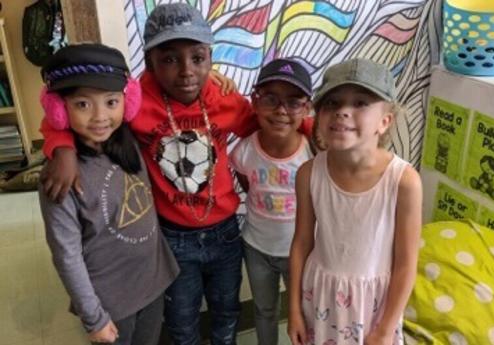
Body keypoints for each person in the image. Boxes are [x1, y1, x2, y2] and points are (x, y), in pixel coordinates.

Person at [37, 3, 276, 344]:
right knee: (181, 320)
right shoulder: (134, 102)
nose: (186, 72)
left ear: (211, 57)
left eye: (198, 58)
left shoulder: (223, 98)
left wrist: (312, 125)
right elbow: (80, 108)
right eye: (168, 59)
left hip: (224, 233)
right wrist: (61, 145)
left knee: (226, 312)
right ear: (149, 64)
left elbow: (269, 124)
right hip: (171, 239)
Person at [37, 43, 179, 345]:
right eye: (83, 104)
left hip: (152, 282)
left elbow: (167, 86)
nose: (100, 116)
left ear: (127, 103)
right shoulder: (58, 176)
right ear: (59, 110)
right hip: (111, 301)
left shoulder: (129, 142)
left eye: (112, 102)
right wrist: (94, 317)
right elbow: (66, 254)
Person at [287, 58, 422, 345]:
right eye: (332, 103)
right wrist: (294, 309)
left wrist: (385, 330)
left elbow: (406, 264)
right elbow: (301, 243)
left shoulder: (404, 182)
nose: (342, 112)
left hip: (373, 307)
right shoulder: (309, 174)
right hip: (320, 298)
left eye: (360, 103)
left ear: (385, 121)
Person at [229, 58, 314, 345]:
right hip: (256, 248)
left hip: (299, 253)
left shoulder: (312, 155)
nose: (281, 111)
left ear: (307, 108)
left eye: (293, 102)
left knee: (302, 311)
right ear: (254, 102)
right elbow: (247, 184)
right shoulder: (244, 151)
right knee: (264, 310)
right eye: (271, 99)